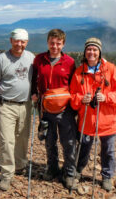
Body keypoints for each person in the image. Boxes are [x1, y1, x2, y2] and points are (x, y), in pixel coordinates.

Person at [70, 37, 116, 191]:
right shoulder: (79, 72)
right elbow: (72, 96)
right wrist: (82, 99)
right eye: (89, 49)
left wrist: (106, 97)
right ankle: (77, 170)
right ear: (85, 52)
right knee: (83, 147)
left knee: (108, 150)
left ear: (99, 52)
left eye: (95, 49)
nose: (92, 52)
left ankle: (107, 176)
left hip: (107, 121)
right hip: (87, 120)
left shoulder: (110, 69)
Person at [0, 28, 35, 191]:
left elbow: (35, 79)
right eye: (17, 41)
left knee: (22, 137)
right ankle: (7, 174)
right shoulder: (1, 59)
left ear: (27, 42)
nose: (19, 44)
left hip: (26, 104)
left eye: (23, 41)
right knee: (7, 140)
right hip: (6, 104)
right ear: (11, 41)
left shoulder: (31, 58)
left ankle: (20, 165)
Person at [31, 29, 77, 189]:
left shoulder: (70, 62)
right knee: (50, 141)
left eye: (58, 43)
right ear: (47, 42)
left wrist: (75, 107)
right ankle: (52, 168)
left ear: (63, 44)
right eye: (52, 42)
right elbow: (33, 79)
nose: (54, 46)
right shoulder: (39, 59)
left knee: (69, 142)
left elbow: (74, 84)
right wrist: (33, 94)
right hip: (45, 107)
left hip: (65, 109)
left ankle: (70, 173)